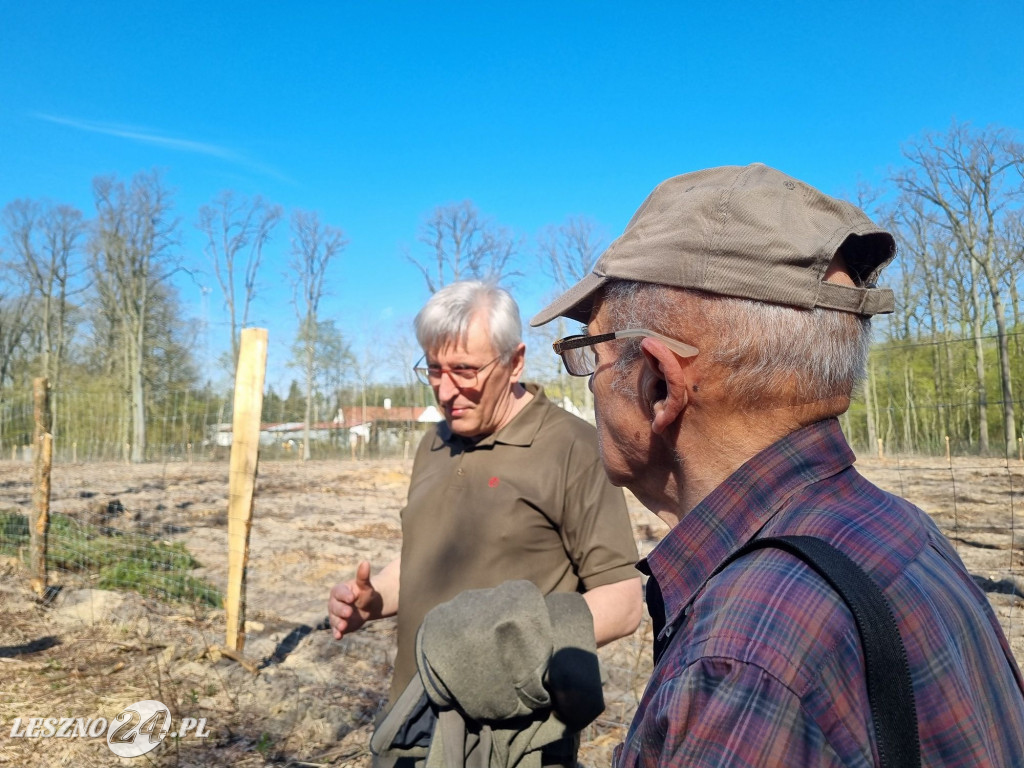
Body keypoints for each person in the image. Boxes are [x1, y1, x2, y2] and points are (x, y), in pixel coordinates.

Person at [531, 163, 1024, 767]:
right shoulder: (901, 529)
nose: (588, 383)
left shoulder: (741, 660)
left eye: (590, 350)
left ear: (659, 383)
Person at [328, 280, 642, 767]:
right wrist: (374, 600)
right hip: (408, 725)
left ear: (515, 362)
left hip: (510, 744)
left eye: (464, 371)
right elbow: (422, 558)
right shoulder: (435, 442)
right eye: (434, 370)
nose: (445, 389)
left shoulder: (572, 447)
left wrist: (508, 646)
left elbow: (622, 602)